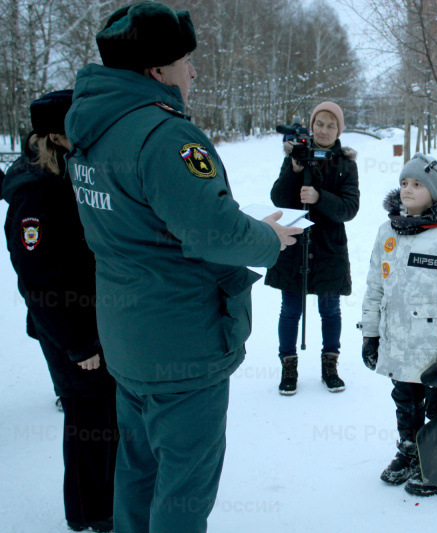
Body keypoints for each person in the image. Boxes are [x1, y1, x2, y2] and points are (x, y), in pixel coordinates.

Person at [63, 3, 302, 532]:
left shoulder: (91, 129)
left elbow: (156, 221)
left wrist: (232, 223)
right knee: (184, 488)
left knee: (138, 469)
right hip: (183, 346)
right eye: (184, 61)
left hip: (129, 338)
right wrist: (268, 238)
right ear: (156, 71)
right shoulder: (166, 135)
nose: (192, 72)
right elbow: (211, 232)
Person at [2, 90, 118, 533]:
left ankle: (105, 503)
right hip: (68, 329)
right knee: (89, 422)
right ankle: (92, 514)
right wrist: (78, 342)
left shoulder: (71, 170)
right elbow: (38, 279)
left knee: (105, 415)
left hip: (91, 321)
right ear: (54, 135)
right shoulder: (35, 193)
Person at [361, 153, 437, 497]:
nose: (407, 190)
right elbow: (374, 286)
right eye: (403, 183)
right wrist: (370, 333)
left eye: (417, 185)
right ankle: (409, 451)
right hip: (396, 341)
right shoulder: (388, 231)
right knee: (404, 400)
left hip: (433, 347)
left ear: (436, 193)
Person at [267, 101, 360, 395]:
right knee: (290, 309)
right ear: (311, 125)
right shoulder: (297, 156)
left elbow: (349, 208)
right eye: (319, 123)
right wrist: (294, 171)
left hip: (328, 247)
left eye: (331, 125)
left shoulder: (346, 164)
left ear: (339, 130)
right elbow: (279, 200)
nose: (324, 129)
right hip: (294, 243)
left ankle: (330, 365)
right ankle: (288, 366)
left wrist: (319, 197)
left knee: (330, 310)